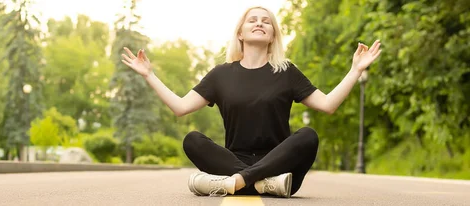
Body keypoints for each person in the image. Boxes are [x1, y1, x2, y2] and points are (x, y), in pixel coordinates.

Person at [121, 6, 381, 198]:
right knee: (192, 140)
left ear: (272, 36)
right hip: (241, 165)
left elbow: (328, 105)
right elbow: (180, 108)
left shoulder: (286, 71)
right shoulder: (221, 74)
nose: (260, 23)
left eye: (266, 22)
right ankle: (257, 182)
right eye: (253, 20)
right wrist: (149, 75)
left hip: (282, 168)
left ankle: (238, 182)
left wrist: (355, 70)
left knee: (308, 136)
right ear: (241, 34)